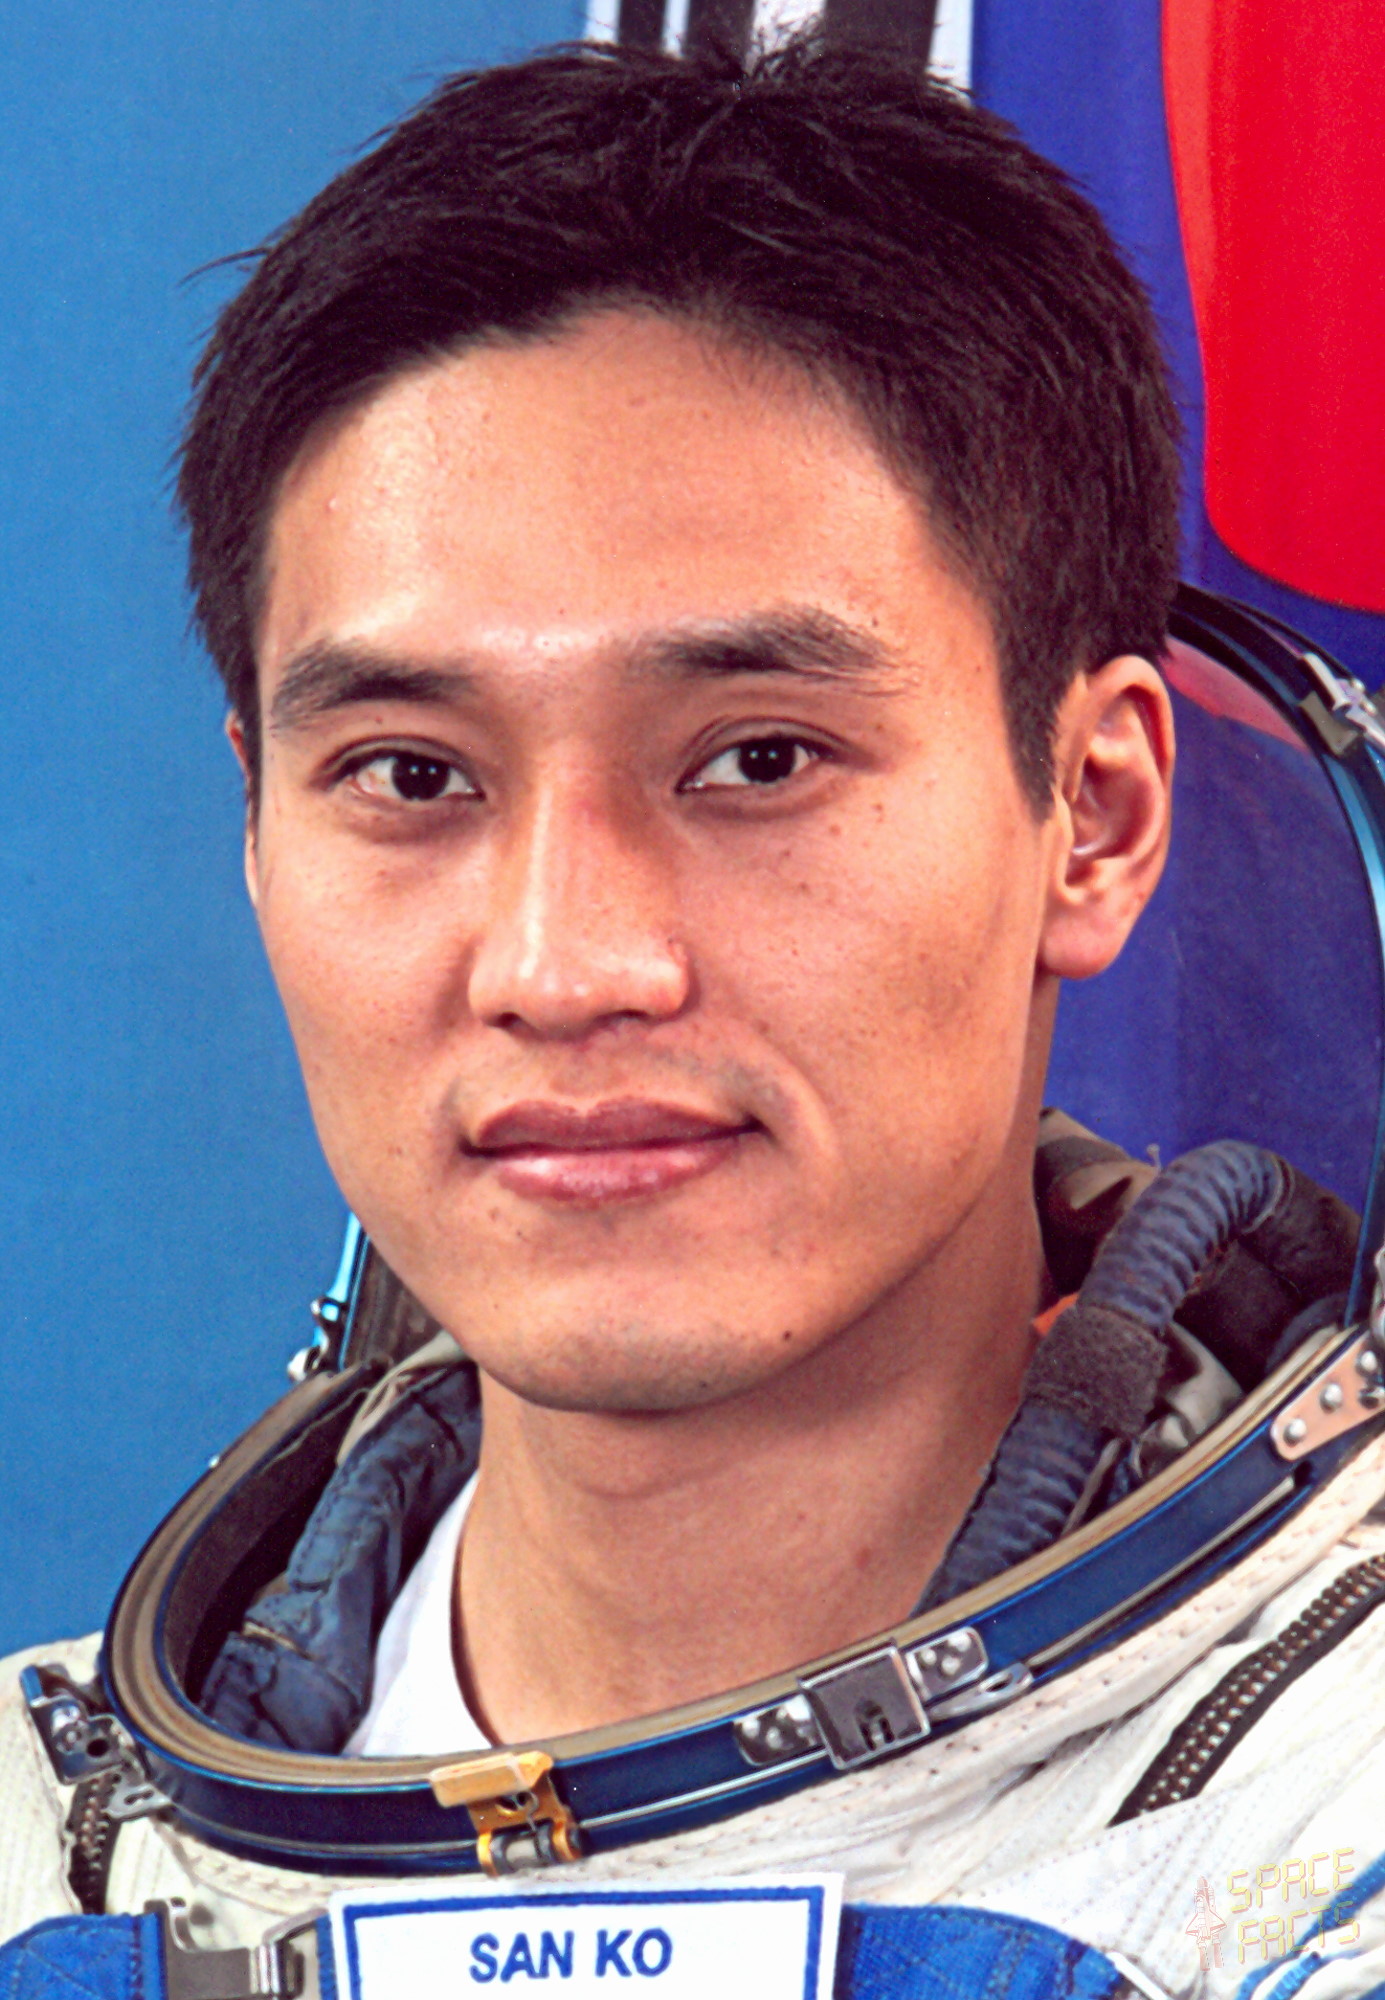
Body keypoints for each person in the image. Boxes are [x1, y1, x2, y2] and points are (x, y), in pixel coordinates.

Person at [4, 32, 1385, 2000]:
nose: (564, 964)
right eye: (411, 776)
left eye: (756, 758)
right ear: (255, 827)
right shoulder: (37, 1854)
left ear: (1091, 819)